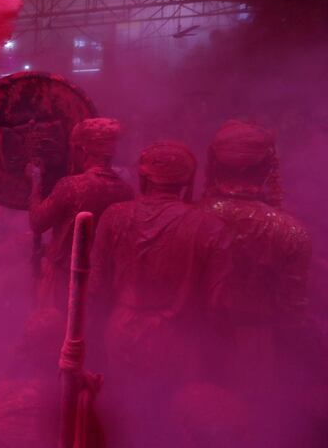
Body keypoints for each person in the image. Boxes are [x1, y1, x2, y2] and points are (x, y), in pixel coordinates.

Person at [90, 142, 232, 447]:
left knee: (125, 417)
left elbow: (95, 288)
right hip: (177, 337)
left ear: (144, 177)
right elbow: (217, 307)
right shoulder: (210, 227)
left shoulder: (114, 216)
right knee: (172, 420)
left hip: (122, 329)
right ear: (186, 181)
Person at [199, 120, 313, 444]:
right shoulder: (290, 230)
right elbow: (293, 313)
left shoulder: (192, 217)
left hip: (197, 338)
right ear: (267, 165)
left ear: (214, 162)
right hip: (257, 348)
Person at [25, 117, 133, 309]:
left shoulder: (71, 186)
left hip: (64, 282)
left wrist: (35, 179)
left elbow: (37, 222)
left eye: (73, 148)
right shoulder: (125, 191)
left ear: (82, 150)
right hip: (102, 286)